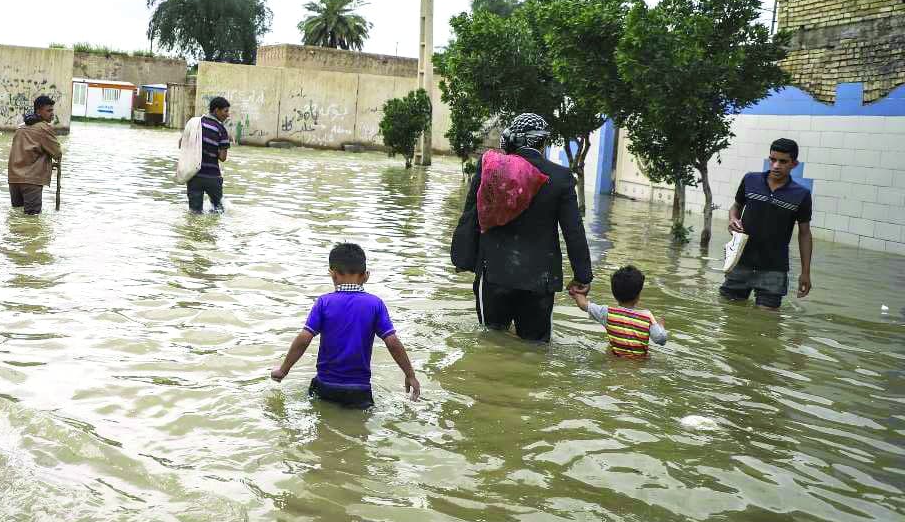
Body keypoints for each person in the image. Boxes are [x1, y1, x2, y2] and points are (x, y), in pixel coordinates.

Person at [454, 112, 593, 342]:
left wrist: (463, 258)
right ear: (543, 142)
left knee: (490, 342)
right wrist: (582, 276)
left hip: (494, 275)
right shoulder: (560, 177)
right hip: (540, 281)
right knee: (534, 349)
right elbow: (574, 232)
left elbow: (472, 215)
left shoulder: (491, 169)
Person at [270, 243, 421, 409]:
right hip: (359, 390)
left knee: (323, 431)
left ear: (333, 275)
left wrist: (284, 370)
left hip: (326, 386)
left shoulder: (324, 302)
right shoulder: (375, 304)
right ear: (366, 276)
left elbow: (304, 339)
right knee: (359, 432)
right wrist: (410, 374)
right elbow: (392, 342)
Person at [720, 138, 813, 309]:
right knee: (729, 313)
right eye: (773, 159)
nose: (776, 165)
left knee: (767, 323)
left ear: (794, 164)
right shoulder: (750, 180)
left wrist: (805, 273)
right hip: (741, 262)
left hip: (774, 268)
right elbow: (736, 206)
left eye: (783, 161)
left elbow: (805, 233)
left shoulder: (802, 194)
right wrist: (733, 219)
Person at [570, 265, 668, 359]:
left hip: (614, 360)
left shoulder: (608, 313)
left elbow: (583, 304)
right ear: (638, 295)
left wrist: (576, 290)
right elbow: (660, 339)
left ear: (614, 294)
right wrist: (661, 326)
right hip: (638, 363)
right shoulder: (647, 317)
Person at [7, 94, 62, 215]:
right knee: (32, 219)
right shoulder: (44, 129)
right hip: (31, 181)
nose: (52, 113)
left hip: (14, 179)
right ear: (38, 111)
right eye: (48, 110)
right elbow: (57, 153)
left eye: (52, 110)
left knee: (17, 215)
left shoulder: (21, 127)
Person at [187, 96, 232, 213]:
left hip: (194, 175)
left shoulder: (195, 124)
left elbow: (182, 143)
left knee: (194, 213)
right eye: (225, 111)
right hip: (212, 177)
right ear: (216, 110)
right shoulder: (221, 130)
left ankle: (193, 230)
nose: (228, 115)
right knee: (218, 211)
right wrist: (213, 149)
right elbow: (223, 157)